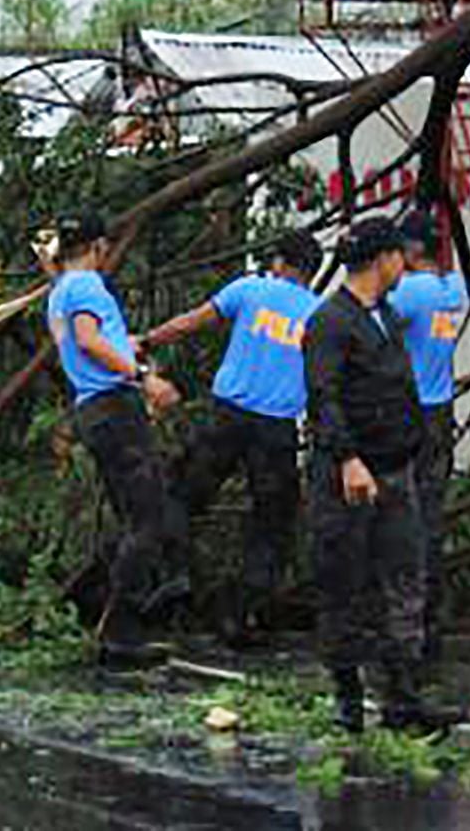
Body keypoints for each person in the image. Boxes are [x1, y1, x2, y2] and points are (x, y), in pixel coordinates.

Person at [303, 214, 460, 736]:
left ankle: (403, 696)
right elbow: (323, 399)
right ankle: (347, 696)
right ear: (383, 259)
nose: (404, 265)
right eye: (397, 256)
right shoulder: (330, 322)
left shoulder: (387, 316)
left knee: (405, 577)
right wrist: (348, 458)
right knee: (345, 581)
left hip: (397, 469)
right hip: (349, 475)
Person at [143, 226, 321, 646]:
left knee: (180, 495)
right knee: (271, 523)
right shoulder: (319, 314)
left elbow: (191, 323)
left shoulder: (249, 290)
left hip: (226, 417)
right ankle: (238, 615)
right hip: (276, 430)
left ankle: (178, 576)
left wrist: (146, 341)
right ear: (311, 272)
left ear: (279, 262)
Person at [45, 210, 181, 667]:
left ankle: (108, 609)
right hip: (113, 407)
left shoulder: (60, 290)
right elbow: (88, 340)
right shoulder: (85, 286)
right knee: (149, 519)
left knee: (134, 517)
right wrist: (143, 376)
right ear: (99, 247)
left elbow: (94, 340)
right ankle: (120, 632)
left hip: (92, 409)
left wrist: (127, 344)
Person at [384, 207, 469, 665]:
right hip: (440, 409)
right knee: (431, 512)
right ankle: (433, 618)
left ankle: (403, 623)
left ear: (411, 249)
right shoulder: (452, 288)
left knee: (400, 514)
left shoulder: (409, 293)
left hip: (407, 409)